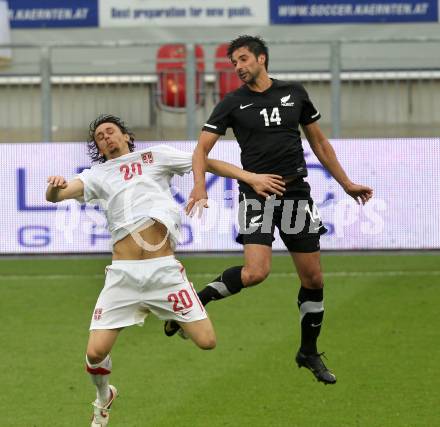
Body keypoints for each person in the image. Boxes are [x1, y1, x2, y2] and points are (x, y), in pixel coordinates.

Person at [45, 114, 286, 426]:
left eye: (111, 131)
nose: (105, 137)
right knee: (94, 353)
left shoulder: (155, 157)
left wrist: (249, 177)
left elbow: (204, 161)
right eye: (100, 137)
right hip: (124, 276)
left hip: (164, 273)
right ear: (99, 149)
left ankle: (178, 316)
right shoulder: (97, 175)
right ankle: (104, 398)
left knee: (207, 341)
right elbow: (55, 197)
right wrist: (54, 188)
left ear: (126, 136)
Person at [165, 35, 373, 385]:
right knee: (255, 273)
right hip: (256, 194)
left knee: (314, 278)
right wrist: (199, 186)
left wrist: (346, 183)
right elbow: (201, 149)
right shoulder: (232, 102)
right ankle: (195, 302)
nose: (239, 67)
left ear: (262, 58)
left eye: (244, 59)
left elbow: (319, 142)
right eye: (234, 63)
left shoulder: (295, 93)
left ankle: (308, 351)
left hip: (295, 194)